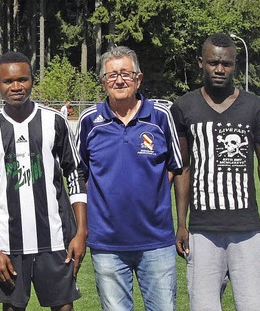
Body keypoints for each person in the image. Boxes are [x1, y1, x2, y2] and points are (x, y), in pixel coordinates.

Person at [170, 33, 260, 311]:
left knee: (257, 306)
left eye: (226, 64)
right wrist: (181, 223)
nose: (219, 69)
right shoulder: (184, 107)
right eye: (213, 63)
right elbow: (183, 168)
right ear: (200, 63)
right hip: (202, 230)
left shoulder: (255, 106)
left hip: (248, 228)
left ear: (235, 66)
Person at [0, 51, 87, 311]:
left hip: (56, 238)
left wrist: (81, 232)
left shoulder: (55, 121)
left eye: (23, 79)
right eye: (8, 82)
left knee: (63, 307)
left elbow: (74, 175)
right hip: (9, 243)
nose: (16, 87)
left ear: (32, 81)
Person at [76, 46, 182, 311]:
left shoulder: (160, 116)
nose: (119, 80)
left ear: (139, 79)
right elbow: (79, 174)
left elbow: (175, 167)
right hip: (107, 244)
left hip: (156, 241)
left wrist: (147, 195)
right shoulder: (89, 120)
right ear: (102, 81)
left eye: (125, 73)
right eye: (111, 75)